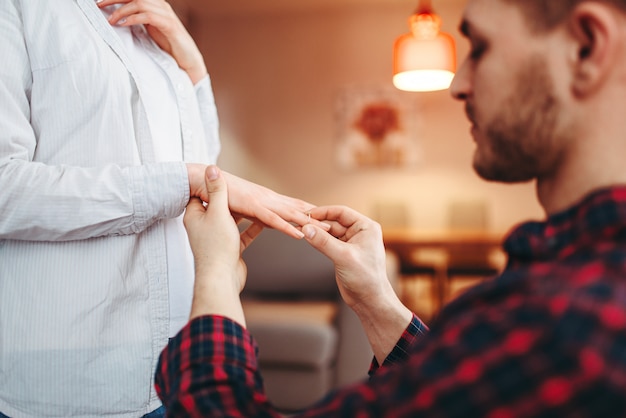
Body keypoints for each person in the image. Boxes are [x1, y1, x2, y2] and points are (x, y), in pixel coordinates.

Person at [154, 0, 626, 416]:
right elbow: (450, 395)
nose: (458, 85)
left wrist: (214, 275)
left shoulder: (564, 322)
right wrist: (376, 301)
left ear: (585, 46)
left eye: (480, 48)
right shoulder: (568, 307)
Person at [0, 1, 320, 417]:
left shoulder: (152, 30)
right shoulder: (20, 10)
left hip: (175, 364)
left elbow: (202, 163)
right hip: (72, 375)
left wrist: (193, 67)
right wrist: (182, 180)